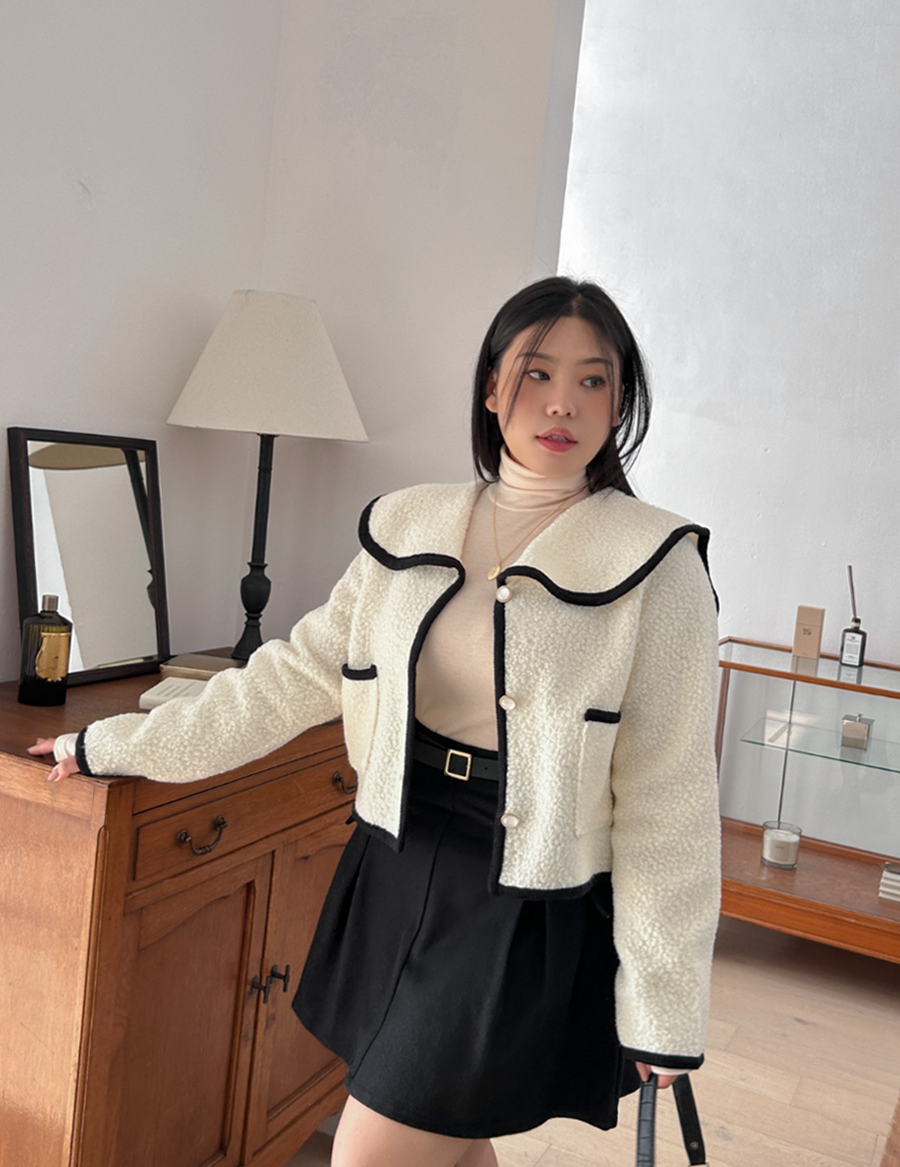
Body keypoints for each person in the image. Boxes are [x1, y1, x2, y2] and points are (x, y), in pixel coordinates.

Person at [30, 276, 721, 1167]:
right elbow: (289, 677)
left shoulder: (658, 564)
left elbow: (670, 796)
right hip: (397, 857)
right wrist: (111, 743)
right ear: (491, 387)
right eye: (537, 372)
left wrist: (665, 1005)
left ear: (620, 402)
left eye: (594, 380)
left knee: (377, 1141)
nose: (563, 402)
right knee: (449, 1133)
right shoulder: (407, 524)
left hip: (518, 898)